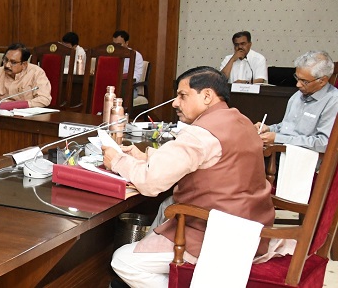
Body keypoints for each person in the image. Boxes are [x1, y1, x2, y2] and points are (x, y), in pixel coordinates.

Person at [105, 66, 275, 287]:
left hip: (217, 233)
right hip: (250, 225)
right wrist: (146, 156)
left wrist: (117, 161)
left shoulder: (200, 133)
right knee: (166, 204)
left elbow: (150, 183)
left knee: (122, 260)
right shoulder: (241, 121)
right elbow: (215, 161)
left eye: (182, 95)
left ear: (207, 96)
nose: (175, 103)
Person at [256, 51, 338, 153]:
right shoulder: (298, 95)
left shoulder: (333, 101)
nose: (298, 85)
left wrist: (278, 138)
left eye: (304, 81)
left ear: (322, 81)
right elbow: (287, 127)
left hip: (307, 159)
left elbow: (323, 143)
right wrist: (268, 129)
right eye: (297, 78)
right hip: (284, 153)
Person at [0, 43, 52, 108]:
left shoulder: (36, 72)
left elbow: (44, 99)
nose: (7, 65)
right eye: (5, 60)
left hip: (28, 115)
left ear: (24, 64)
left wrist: (19, 105)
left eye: (13, 62)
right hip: (3, 114)